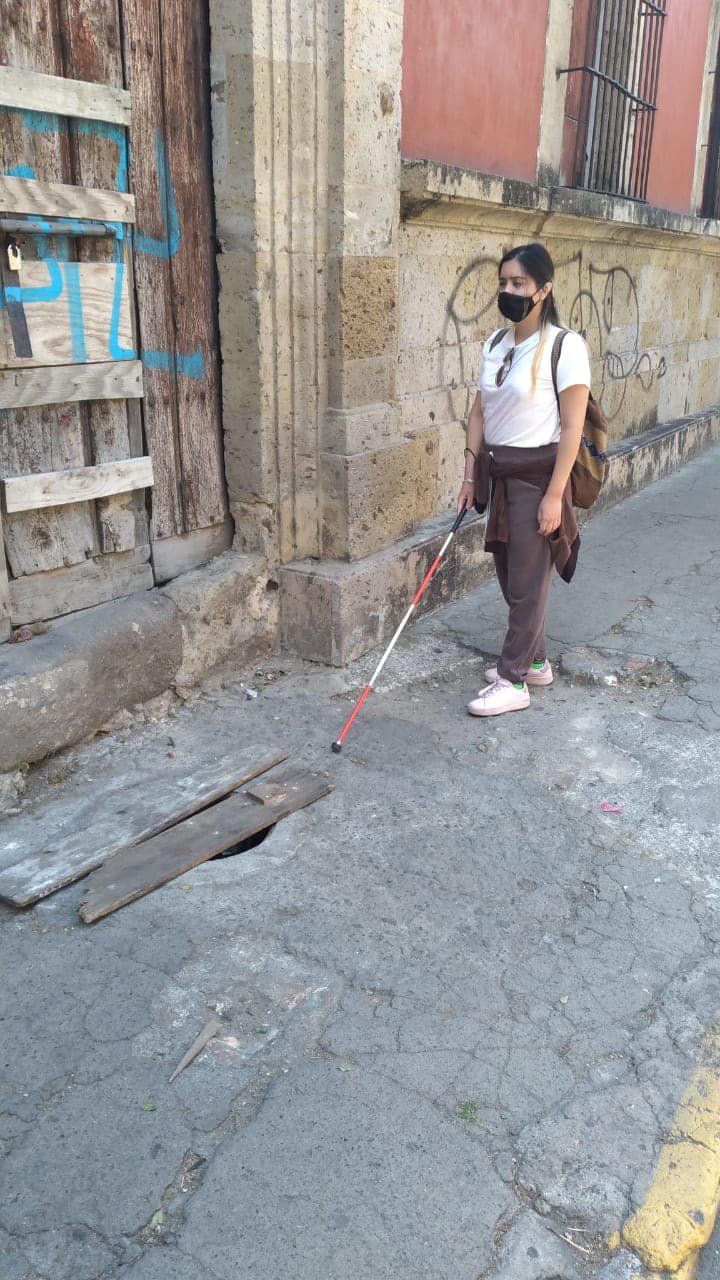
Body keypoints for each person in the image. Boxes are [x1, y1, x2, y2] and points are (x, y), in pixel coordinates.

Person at [457, 242, 591, 717]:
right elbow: (479, 411)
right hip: (499, 473)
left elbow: (573, 426)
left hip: (538, 476)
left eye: (519, 283)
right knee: (511, 575)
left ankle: (513, 681)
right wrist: (471, 472)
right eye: (503, 283)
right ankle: (535, 661)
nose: (509, 291)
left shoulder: (564, 346)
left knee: (529, 582)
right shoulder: (495, 344)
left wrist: (555, 495)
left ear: (543, 289)